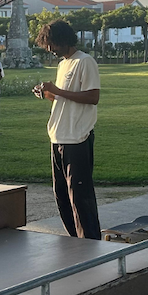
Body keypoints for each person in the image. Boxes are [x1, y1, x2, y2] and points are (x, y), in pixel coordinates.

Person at [33, 19, 102, 239]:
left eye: (53, 44)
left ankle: (91, 243)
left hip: (77, 138)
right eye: (47, 45)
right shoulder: (63, 64)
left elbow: (93, 97)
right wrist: (48, 93)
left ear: (64, 39)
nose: (51, 49)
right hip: (58, 135)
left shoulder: (85, 61)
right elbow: (64, 98)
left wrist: (58, 92)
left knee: (80, 196)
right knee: (61, 195)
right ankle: (75, 240)